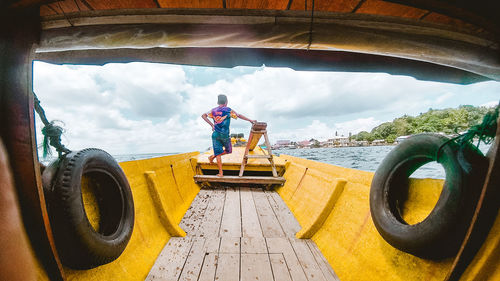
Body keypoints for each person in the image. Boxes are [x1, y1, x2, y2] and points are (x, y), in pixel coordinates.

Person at [202, 94, 256, 177]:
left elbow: (203, 115)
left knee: (223, 152)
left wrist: (211, 125)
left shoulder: (213, 111)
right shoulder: (228, 110)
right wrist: (250, 120)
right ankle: (221, 173)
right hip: (224, 135)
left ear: (217, 102)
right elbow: (239, 115)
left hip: (216, 134)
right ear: (226, 102)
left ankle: (213, 157)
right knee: (227, 151)